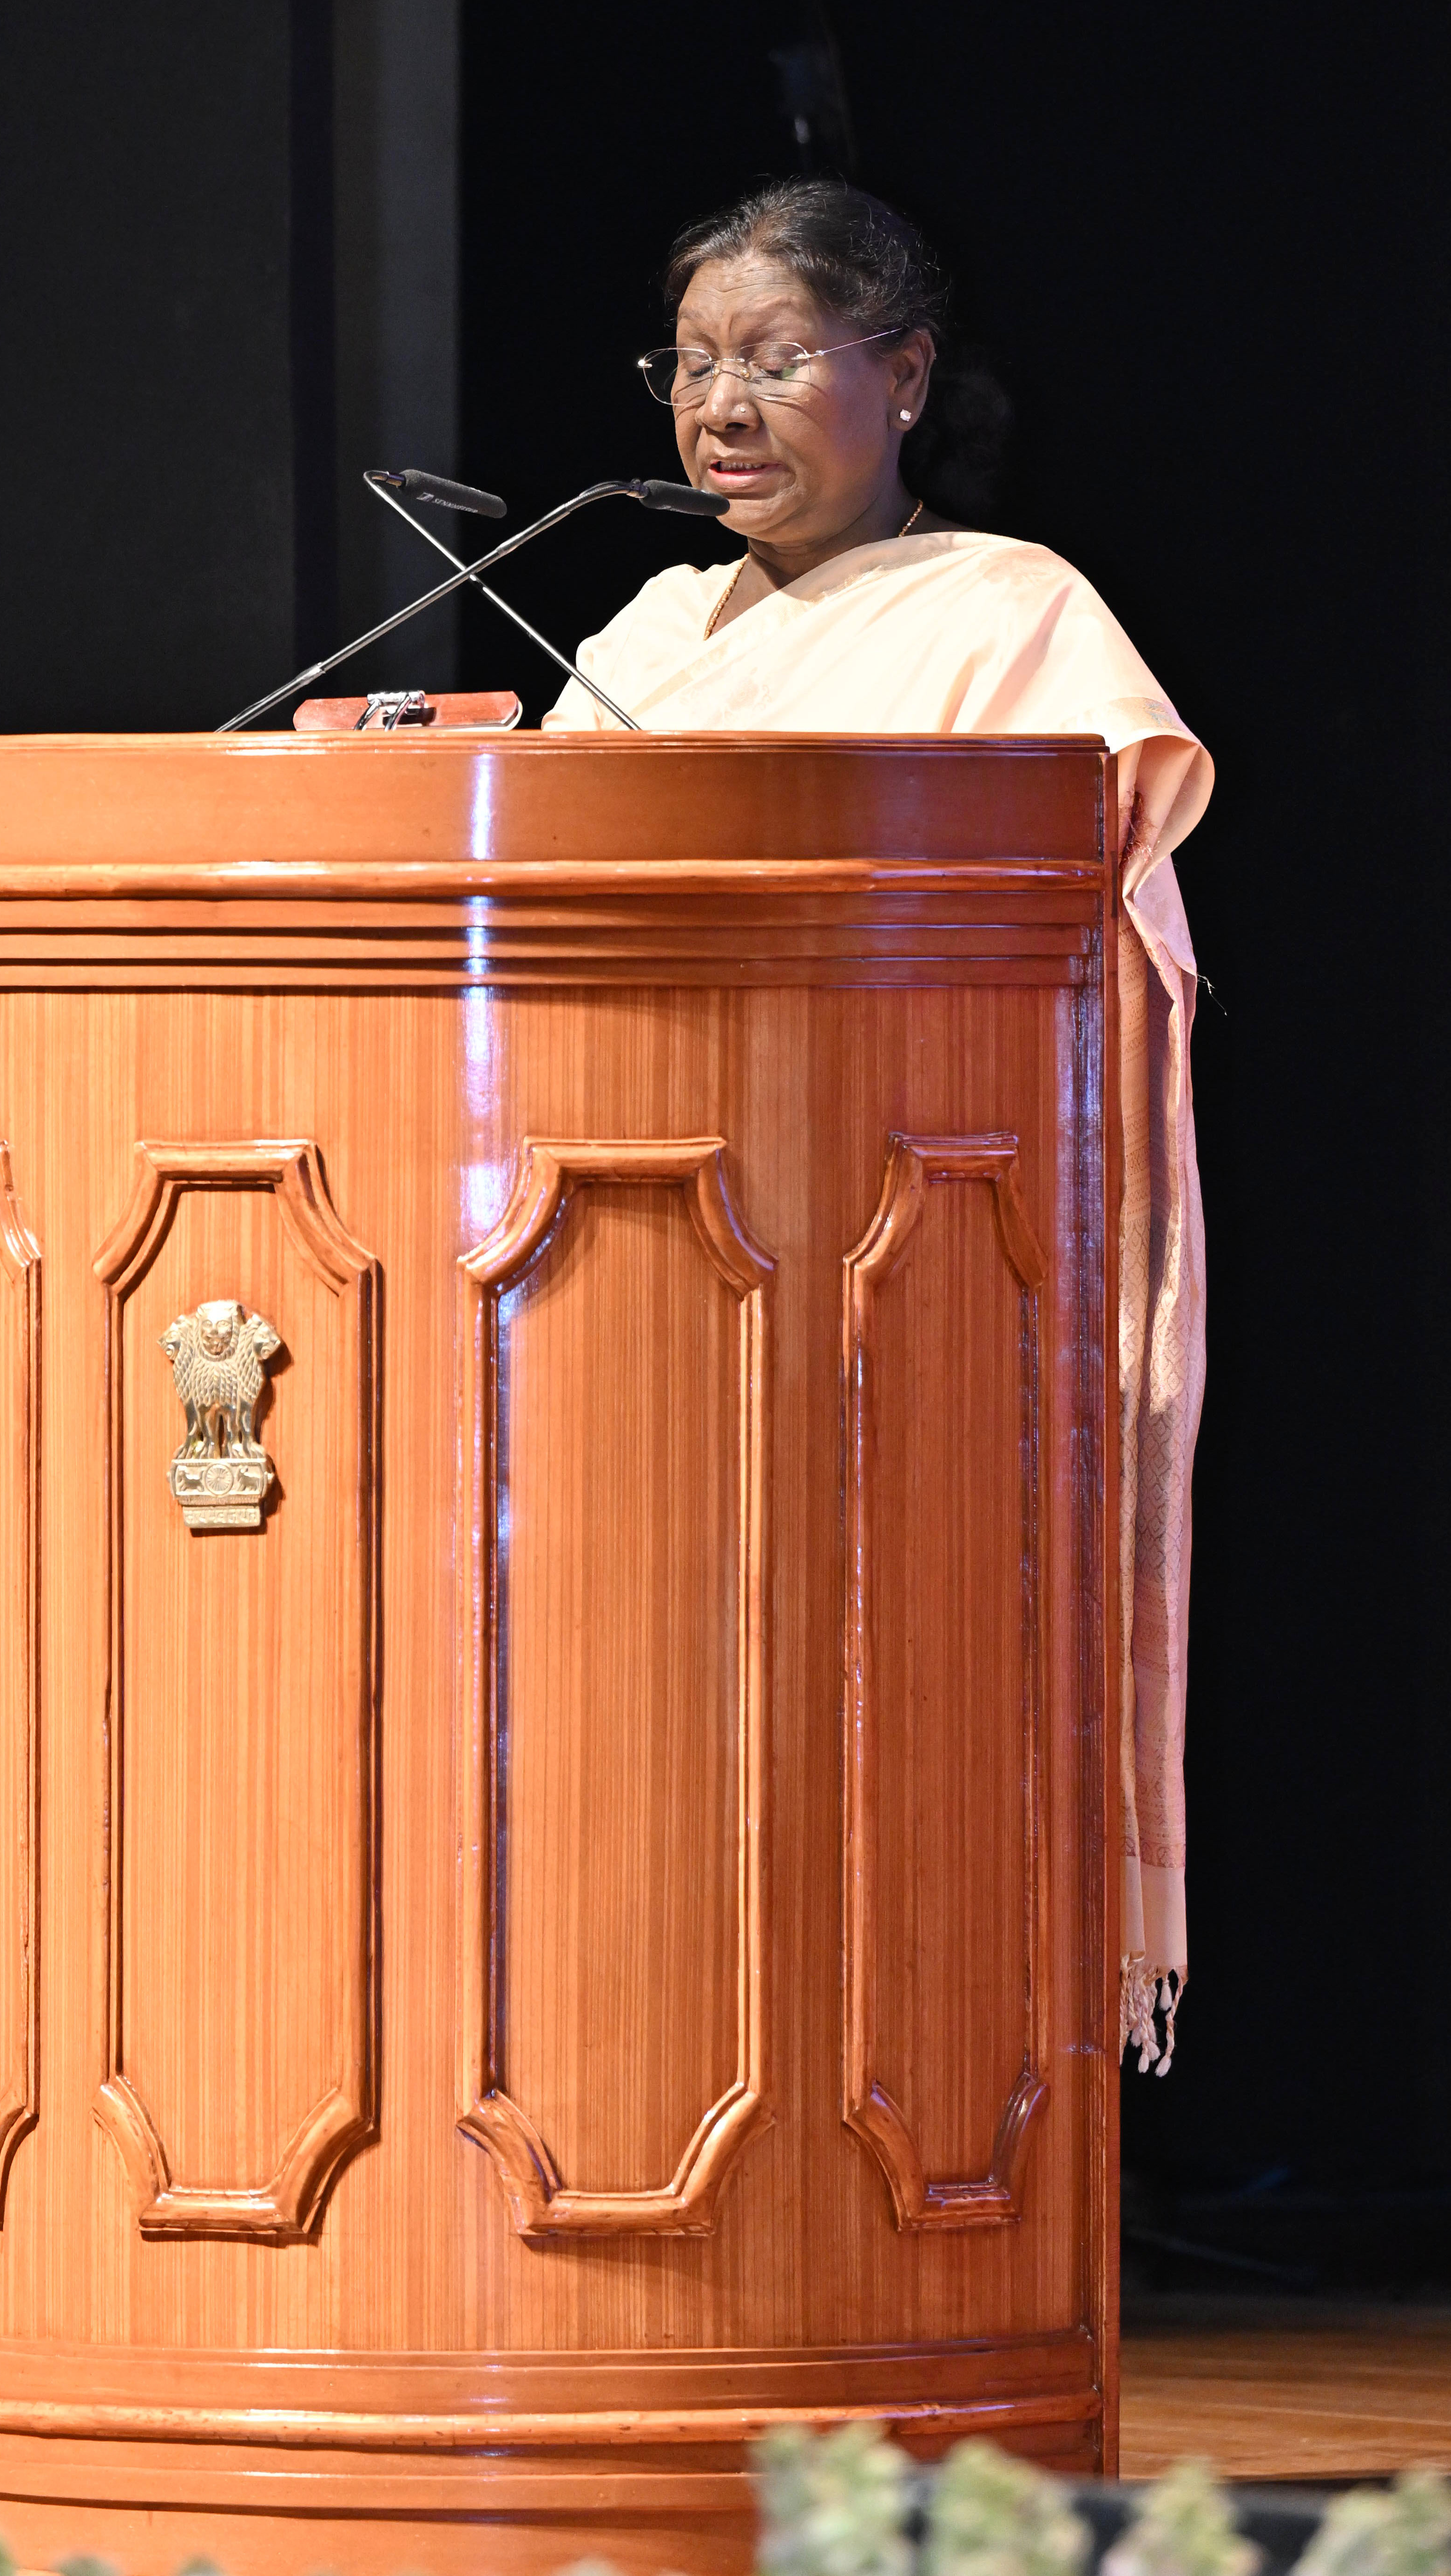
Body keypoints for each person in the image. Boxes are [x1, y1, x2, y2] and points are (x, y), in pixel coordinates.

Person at [546, 180, 1209, 2074]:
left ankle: (920, 2105)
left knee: (877, 1713)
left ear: (904, 375)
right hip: (625, 1255)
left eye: (773, 357)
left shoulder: (1009, 614)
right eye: (691, 364)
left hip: (898, 1253)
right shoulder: (652, 624)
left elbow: (1086, 914)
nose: (718, 406)